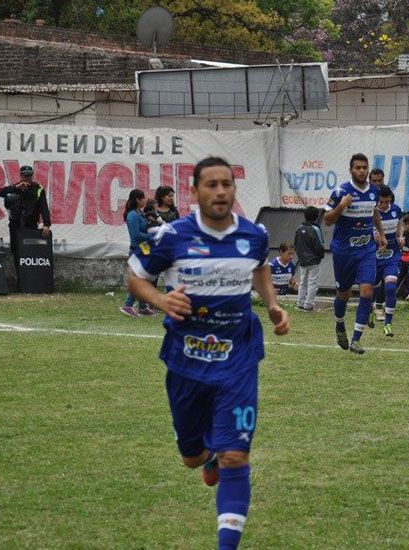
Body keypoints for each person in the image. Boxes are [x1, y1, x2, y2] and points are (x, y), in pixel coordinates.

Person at [126, 156, 289, 550]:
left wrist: (271, 305)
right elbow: (135, 277)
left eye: (226, 184)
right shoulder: (172, 236)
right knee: (192, 459)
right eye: (211, 185)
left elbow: (260, 268)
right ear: (196, 191)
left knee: (236, 457)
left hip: (238, 358)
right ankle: (207, 455)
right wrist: (162, 302)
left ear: (234, 191)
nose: (219, 191)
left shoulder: (254, 235)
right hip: (186, 360)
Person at [323, 153, 387, 355]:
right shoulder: (341, 191)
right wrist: (341, 205)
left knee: (367, 291)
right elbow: (327, 220)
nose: (361, 171)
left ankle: (356, 339)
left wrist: (381, 233)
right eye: (357, 167)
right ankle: (340, 324)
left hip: (366, 249)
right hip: (344, 251)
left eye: (364, 167)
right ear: (351, 170)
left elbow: (374, 211)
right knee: (343, 294)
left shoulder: (375, 191)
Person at [0, 165, 51, 271]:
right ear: (20, 175)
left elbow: (44, 208)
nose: (27, 178)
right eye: (25, 175)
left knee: (31, 252)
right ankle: (21, 280)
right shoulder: (15, 187)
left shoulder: (38, 189)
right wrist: (17, 187)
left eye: (30, 175)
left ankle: (31, 279)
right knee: (16, 252)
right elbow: (0, 192)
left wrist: (46, 225)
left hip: (31, 226)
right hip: (15, 226)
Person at [372, 186, 404, 337]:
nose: (384, 204)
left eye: (387, 201)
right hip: (374, 254)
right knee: (370, 288)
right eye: (381, 202)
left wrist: (400, 236)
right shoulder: (372, 212)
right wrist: (374, 237)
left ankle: (388, 324)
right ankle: (369, 311)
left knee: (390, 288)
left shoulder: (396, 210)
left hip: (392, 254)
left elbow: (399, 224)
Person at [121, 189, 155, 317]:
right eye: (143, 198)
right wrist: (152, 237)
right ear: (137, 200)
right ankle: (128, 305)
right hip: (137, 250)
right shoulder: (132, 215)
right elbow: (135, 235)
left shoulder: (138, 213)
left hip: (143, 249)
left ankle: (142, 307)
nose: (145, 200)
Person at [294, 206, 325, 311]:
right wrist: (320, 255)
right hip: (314, 261)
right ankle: (308, 305)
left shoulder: (299, 228)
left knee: (303, 282)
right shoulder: (315, 229)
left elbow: (296, 244)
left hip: (302, 261)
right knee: (313, 283)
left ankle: (300, 303)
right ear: (316, 217)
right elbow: (319, 245)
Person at [368, 169, 387, 322]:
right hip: (366, 242)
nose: (376, 184)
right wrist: (371, 232)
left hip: (384, 243)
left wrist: (383, 235)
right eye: (373, 181)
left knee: (384, 276)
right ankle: (368, 304)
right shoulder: (366, 195)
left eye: (379, 181)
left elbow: (396, 217)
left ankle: (377, 305)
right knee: (369, 276)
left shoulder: (386, 194)